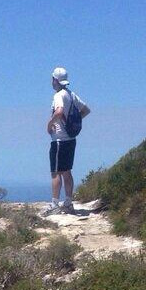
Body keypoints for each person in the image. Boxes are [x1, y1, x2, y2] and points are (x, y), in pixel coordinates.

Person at [44, 67, 90, 215]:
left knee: (55, 172)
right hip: (71, 139)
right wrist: (73, 122)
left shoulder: (59, 95)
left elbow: (58, 111)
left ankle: (55, 204)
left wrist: (50, 124)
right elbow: (86, 110)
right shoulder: (71, 94)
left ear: (55, 80)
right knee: (67, 172)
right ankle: (69, 202)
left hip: (59, 140)